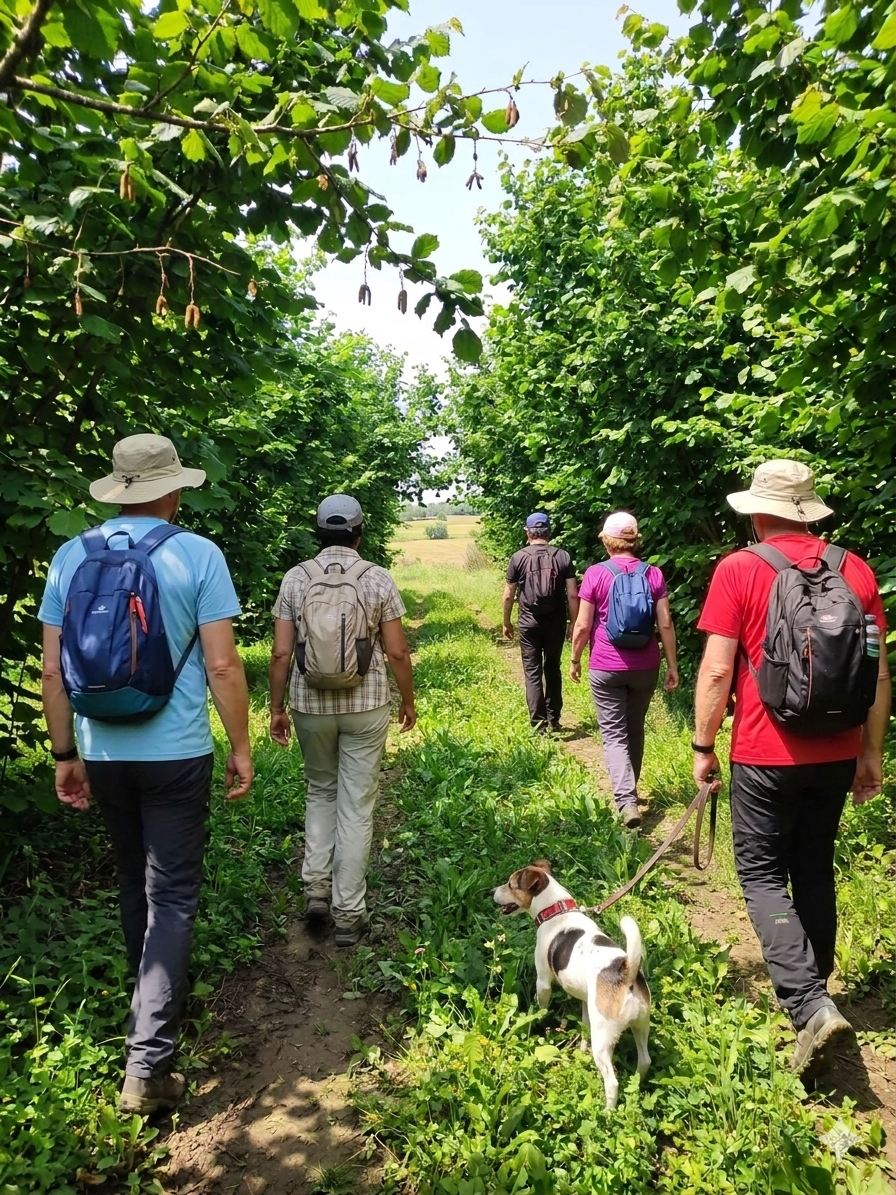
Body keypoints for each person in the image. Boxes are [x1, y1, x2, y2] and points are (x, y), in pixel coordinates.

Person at [39, 433, 253, 1115]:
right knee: (175, 895)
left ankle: (153, 1013)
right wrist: (242, 745)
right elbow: (222, 665)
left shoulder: (71, 553)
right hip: (176, 751)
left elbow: (51, 670)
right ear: (173, 489)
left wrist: (64, 754)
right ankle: (148, 1062)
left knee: (136, 883)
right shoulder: (198, 554)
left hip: (103, 753)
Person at [692, 459, 890, 1075]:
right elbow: (879, 669)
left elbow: (719, 669)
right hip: (836, 750)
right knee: (813, 865)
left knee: (758, 874)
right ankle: (816, 984)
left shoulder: (740, 569)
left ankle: (807, 1005)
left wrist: (703, 747)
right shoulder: (854, 569)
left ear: (758, 512)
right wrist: (870, 751)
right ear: (808, 511)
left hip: (763, 750)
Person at [268, 494, 416, 948]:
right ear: (359, 531)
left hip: (309, 705)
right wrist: (407, 700)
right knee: (356, 804)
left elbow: (279, 652)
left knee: (320, 791)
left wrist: (275, 708)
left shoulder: (296, 578)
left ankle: (315, 889)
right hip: (366, 703)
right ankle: (349, 912)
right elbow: (396, 651)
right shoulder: (376, 578)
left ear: (318, 532)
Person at [570, 512, 679, 829]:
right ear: (635, 540)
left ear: (607, 541)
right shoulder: (653, 574)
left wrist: (576, 658)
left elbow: (582, 625)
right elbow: (666, 623)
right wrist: (672, 664)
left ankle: (626, 800)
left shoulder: (595, 574)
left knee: (614, 734)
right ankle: (630, 789)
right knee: (635, 728)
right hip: (645, 664)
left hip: (606, 665)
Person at [503, 513, 579, 733]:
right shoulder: (563, 556)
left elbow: (508, 595)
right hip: (555, 623)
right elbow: (573, 595)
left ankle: (538, 725)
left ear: (527, 532)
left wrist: (506, 622)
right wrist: (574, 623)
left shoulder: (518, 557)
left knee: (532, 671)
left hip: (528, 622)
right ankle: (553, 719)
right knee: (553, 668)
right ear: (549, 532)